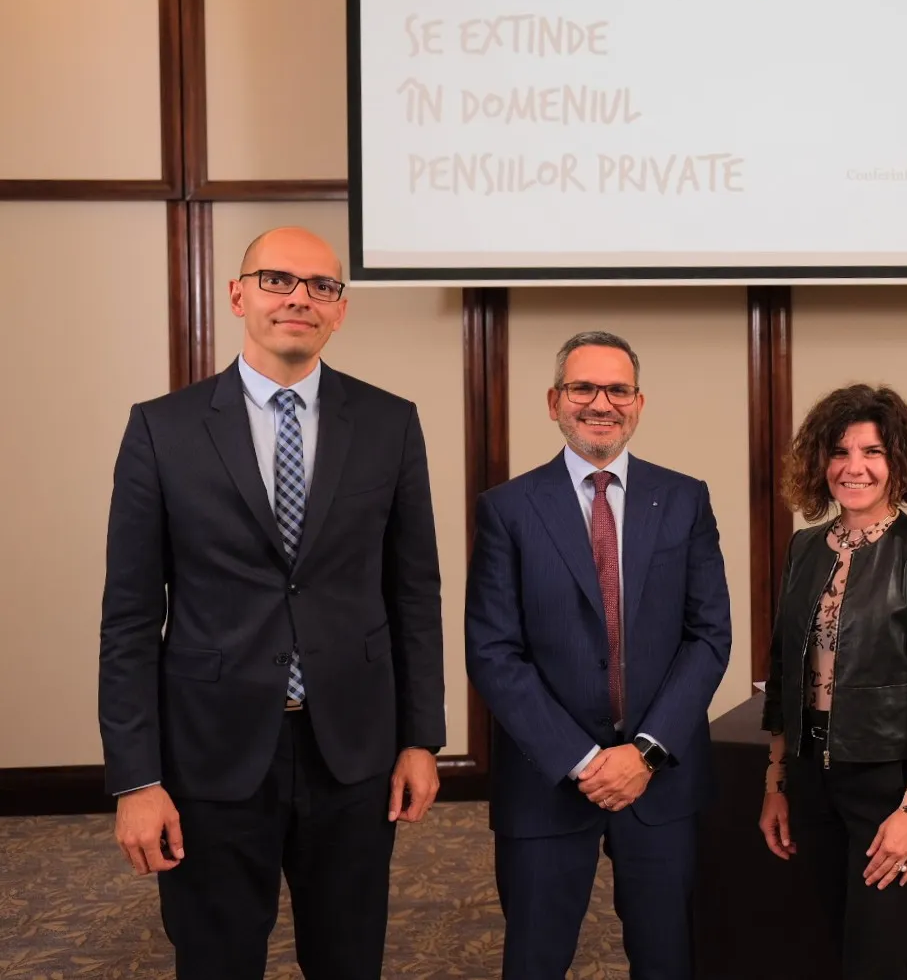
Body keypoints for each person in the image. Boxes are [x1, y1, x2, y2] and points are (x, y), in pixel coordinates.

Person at [97, 226, 445, 980]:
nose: (299, 298)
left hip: (353, 751)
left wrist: (422, 738)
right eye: (278, 279)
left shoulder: (389, 422)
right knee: (217, 961)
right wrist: (137, 778)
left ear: (340, 309)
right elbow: (129, 620)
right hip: (210, 753)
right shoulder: (162, 428)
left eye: (322, 286)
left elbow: (415, 592)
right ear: (238, 295)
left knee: (349, 959)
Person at [466, 330, 732, 980]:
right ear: (554, 400)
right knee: (534, 960)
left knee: (668, 959)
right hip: (547, 778)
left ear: (639, 402)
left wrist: (644, 752)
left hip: (660, 780)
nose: (601, 403)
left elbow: (708, 635)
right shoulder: (508, 508)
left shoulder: (685, 498)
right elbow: (493, 651)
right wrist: (584, 760)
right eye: (583, 388)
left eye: (617, 389)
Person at [760, 384, 907, 980]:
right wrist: (776, 784)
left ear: (897, 461)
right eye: (840, 452)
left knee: (876, 961)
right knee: (830, 951)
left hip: (888, 786)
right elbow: (784, 675)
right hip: (811, 781)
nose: (855, 467)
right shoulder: (805, 547)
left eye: (872, 452)